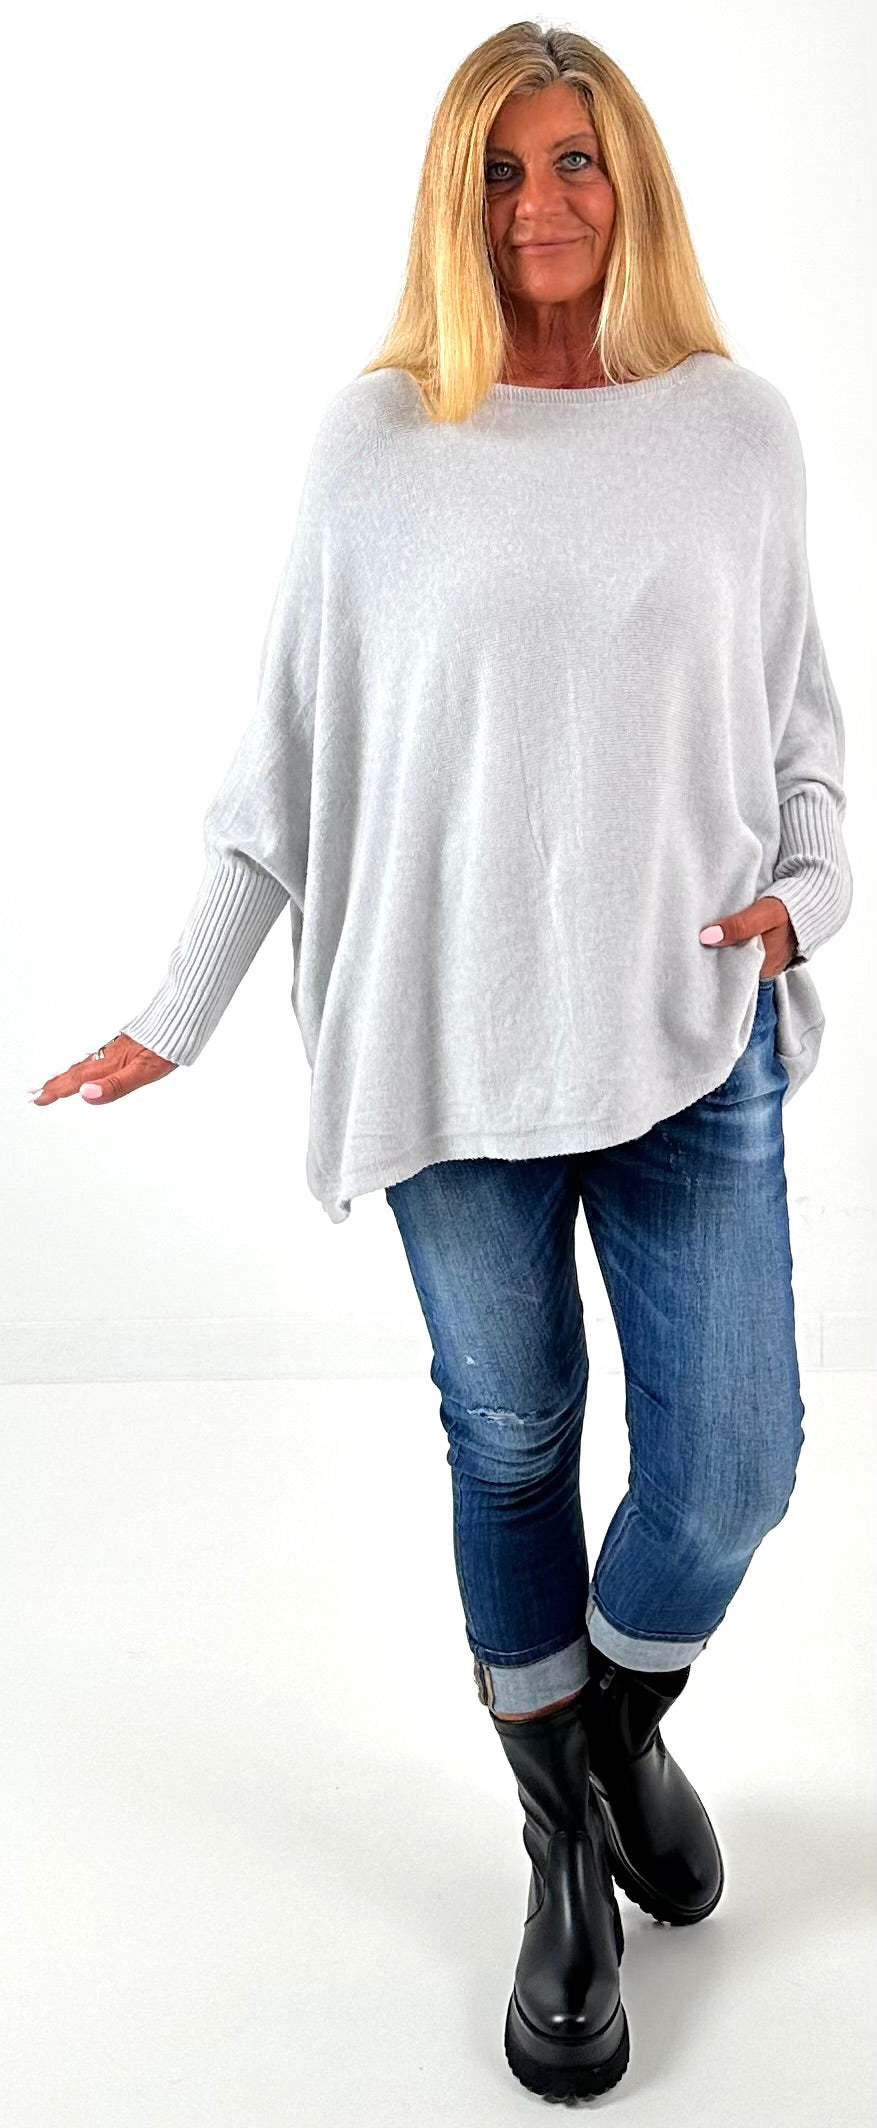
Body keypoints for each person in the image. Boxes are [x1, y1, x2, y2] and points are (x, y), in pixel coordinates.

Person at [27, 22, 853, 2104]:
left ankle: (606, 1737)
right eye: (497, 169)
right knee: (511, 1442)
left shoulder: (736, 432)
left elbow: (804, 745)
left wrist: (800, 901)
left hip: (688, 1035)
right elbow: (280, 773)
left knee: (735, 1461)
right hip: (448, 1043)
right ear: (451, 201)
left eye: (570, 160)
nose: (538, 203)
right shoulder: (380, 442)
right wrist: (175, 1007)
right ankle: (563, 1855)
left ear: (629, 179)